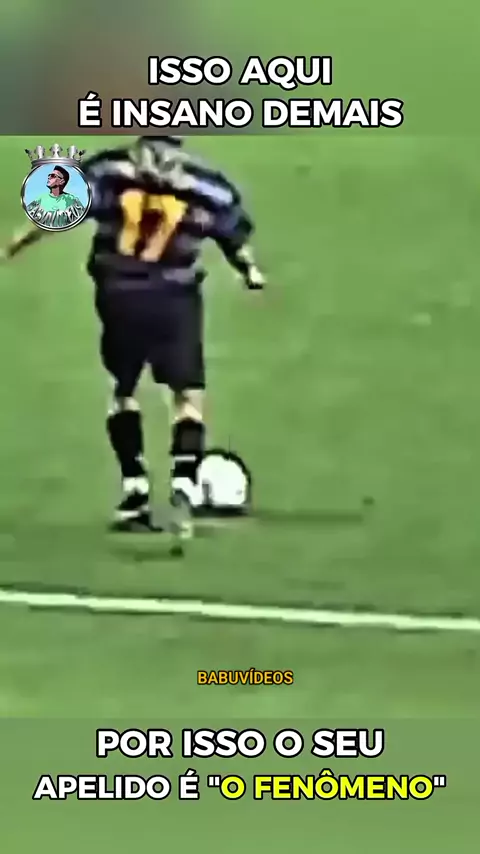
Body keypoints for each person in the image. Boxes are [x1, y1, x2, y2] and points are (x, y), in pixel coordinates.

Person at [2, 136, 265, 537]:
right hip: (174, 295)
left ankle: (134, 488)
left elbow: (59, 207)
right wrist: (250, 272)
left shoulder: (110, 170)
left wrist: (15, 243)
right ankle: (184, 483)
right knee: (188, 394)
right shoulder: (206, 184)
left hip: (118, 293)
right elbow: (232, 234)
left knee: (124, 391)